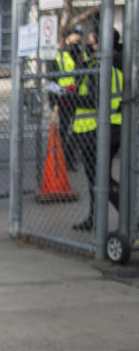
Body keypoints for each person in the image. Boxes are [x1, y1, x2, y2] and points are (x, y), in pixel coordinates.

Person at [70, 29, 123, 231]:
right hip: (115, 126)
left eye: (92, 43)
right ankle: (95, 218)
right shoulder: (119, 64)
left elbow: (93, 99)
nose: (89, 47)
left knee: (99, 178)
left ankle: (128, 216)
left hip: (99, 129)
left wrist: (69, 97)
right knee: (99, 177)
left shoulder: (100, 67)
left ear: (101, 45)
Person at [50, 26, 88, 171]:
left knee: (77, 131)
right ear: (66, 40)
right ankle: (63, 160)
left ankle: (71, 159)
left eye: (78, 41)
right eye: (73, 41)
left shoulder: (82, 56)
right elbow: (50, 81)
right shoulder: (59, 56)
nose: (76, 44)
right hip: (64, 99)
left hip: (80, 98)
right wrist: (54, 103)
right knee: (65, 131)